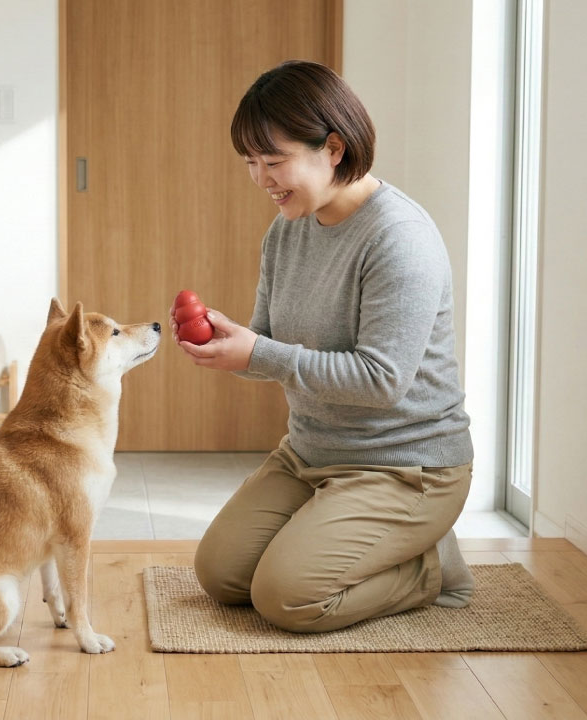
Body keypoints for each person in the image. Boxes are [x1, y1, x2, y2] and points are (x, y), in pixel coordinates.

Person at [174, 60, 476, 633]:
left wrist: (258, 353)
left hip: (406, 467)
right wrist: (226, 342)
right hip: (311, 453)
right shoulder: (287, 228)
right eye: (251, 163)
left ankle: (432, 567)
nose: (262, 178)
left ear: (333, 148)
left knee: (286, 598)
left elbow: (383, 381)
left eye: (275, 159)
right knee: (222, 575)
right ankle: (345, 534)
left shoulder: (399, 238)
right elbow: (267, 347)